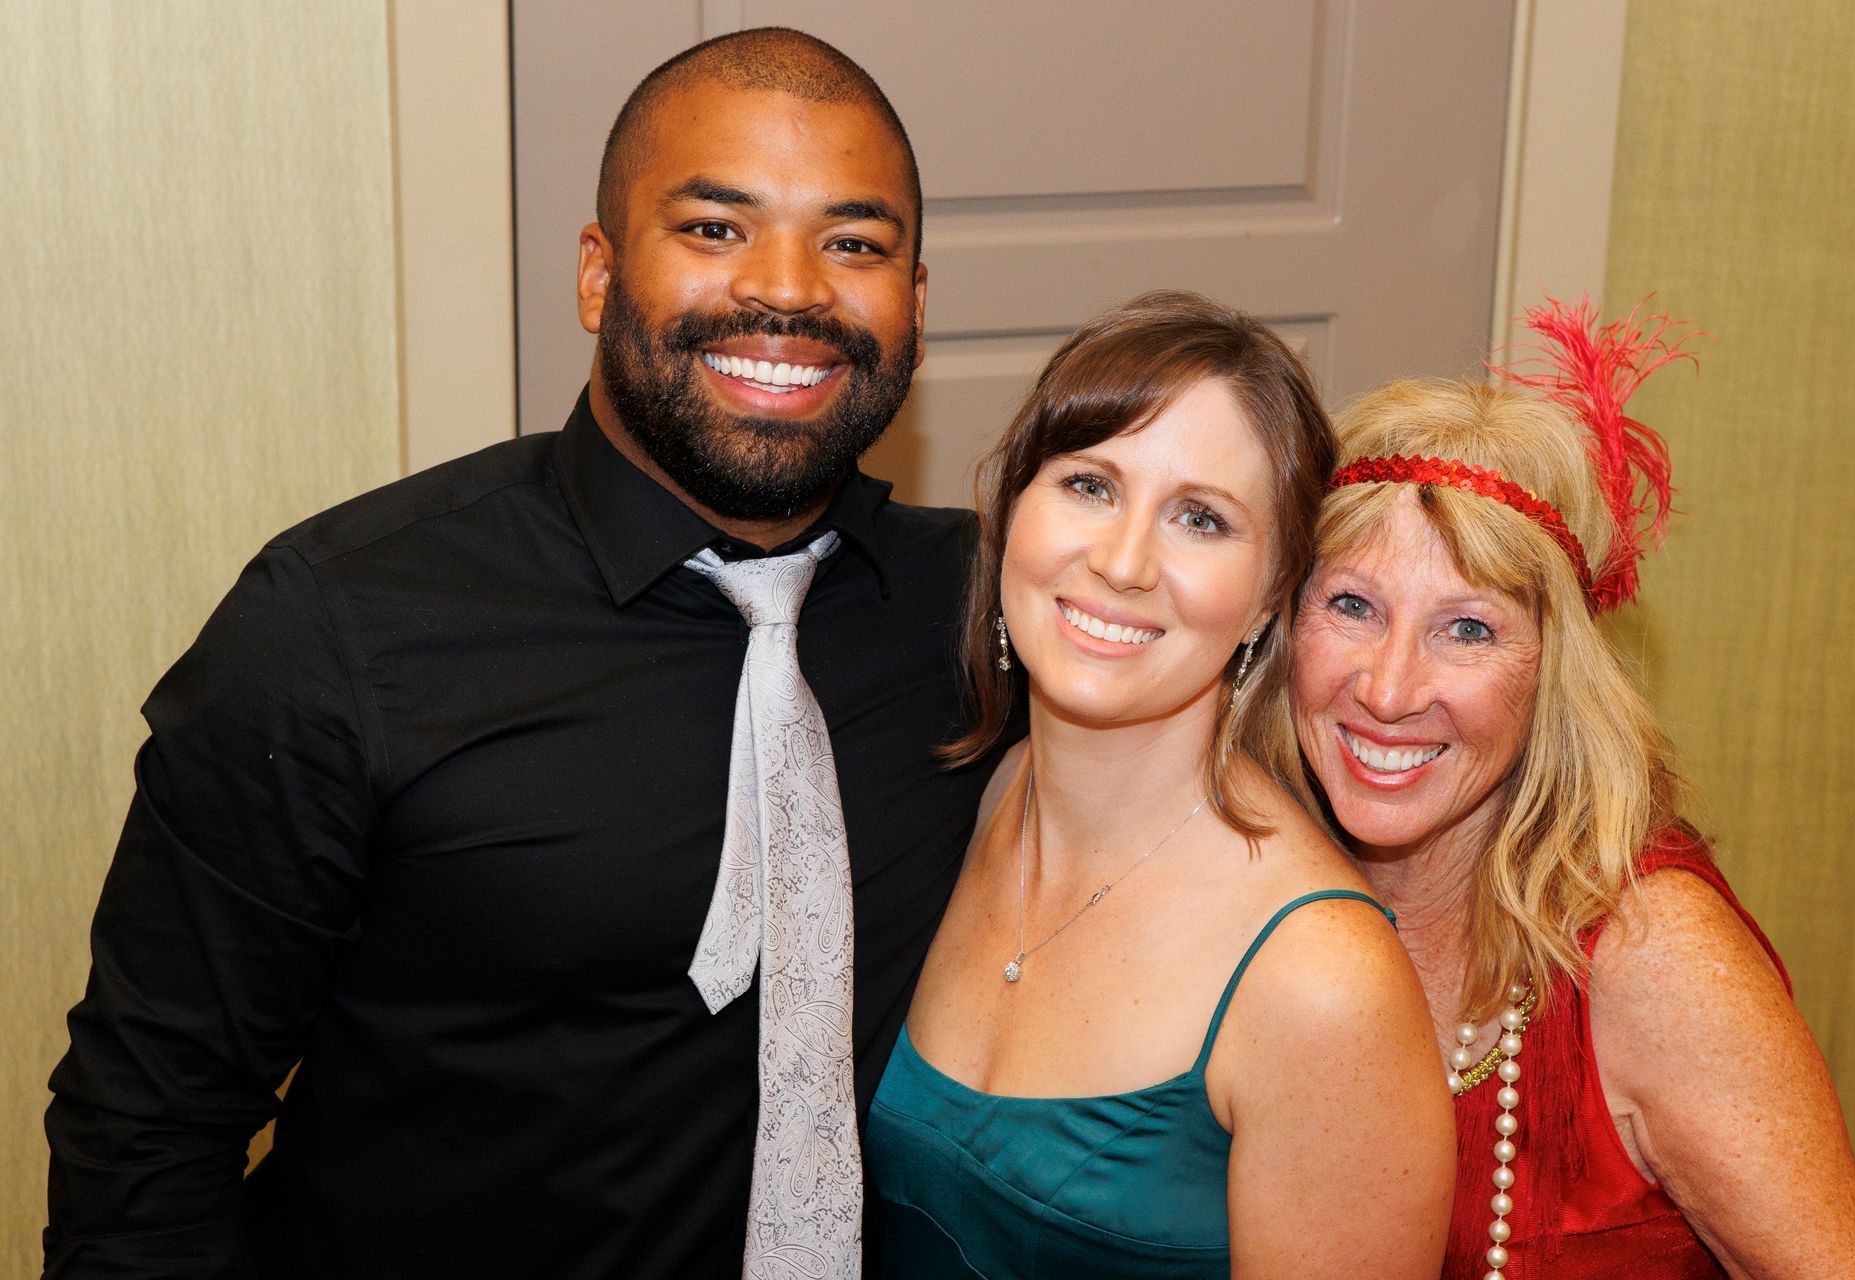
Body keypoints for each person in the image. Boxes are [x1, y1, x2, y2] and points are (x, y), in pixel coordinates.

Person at [44, 28, 1002, 1280]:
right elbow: (149, 1132)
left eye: (856, 243)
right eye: (715, 228)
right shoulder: (340, 627)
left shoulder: (993, 611)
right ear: (599, 275)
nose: (790, 289)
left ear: (917, 305)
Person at [1287, 299, 1855, 1278]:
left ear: (1552, 673)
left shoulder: (1655, 960)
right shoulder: (1255, 874)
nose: (1390, 688)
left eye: (1468, 628)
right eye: (1354, 605)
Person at [863, 291, 1455, 1278]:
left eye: (1200, 517)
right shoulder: (971, 799)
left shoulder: (1321, 981)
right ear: (1012, 509)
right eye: (1090, 486)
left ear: (1271, 596)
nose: (1124, 561)